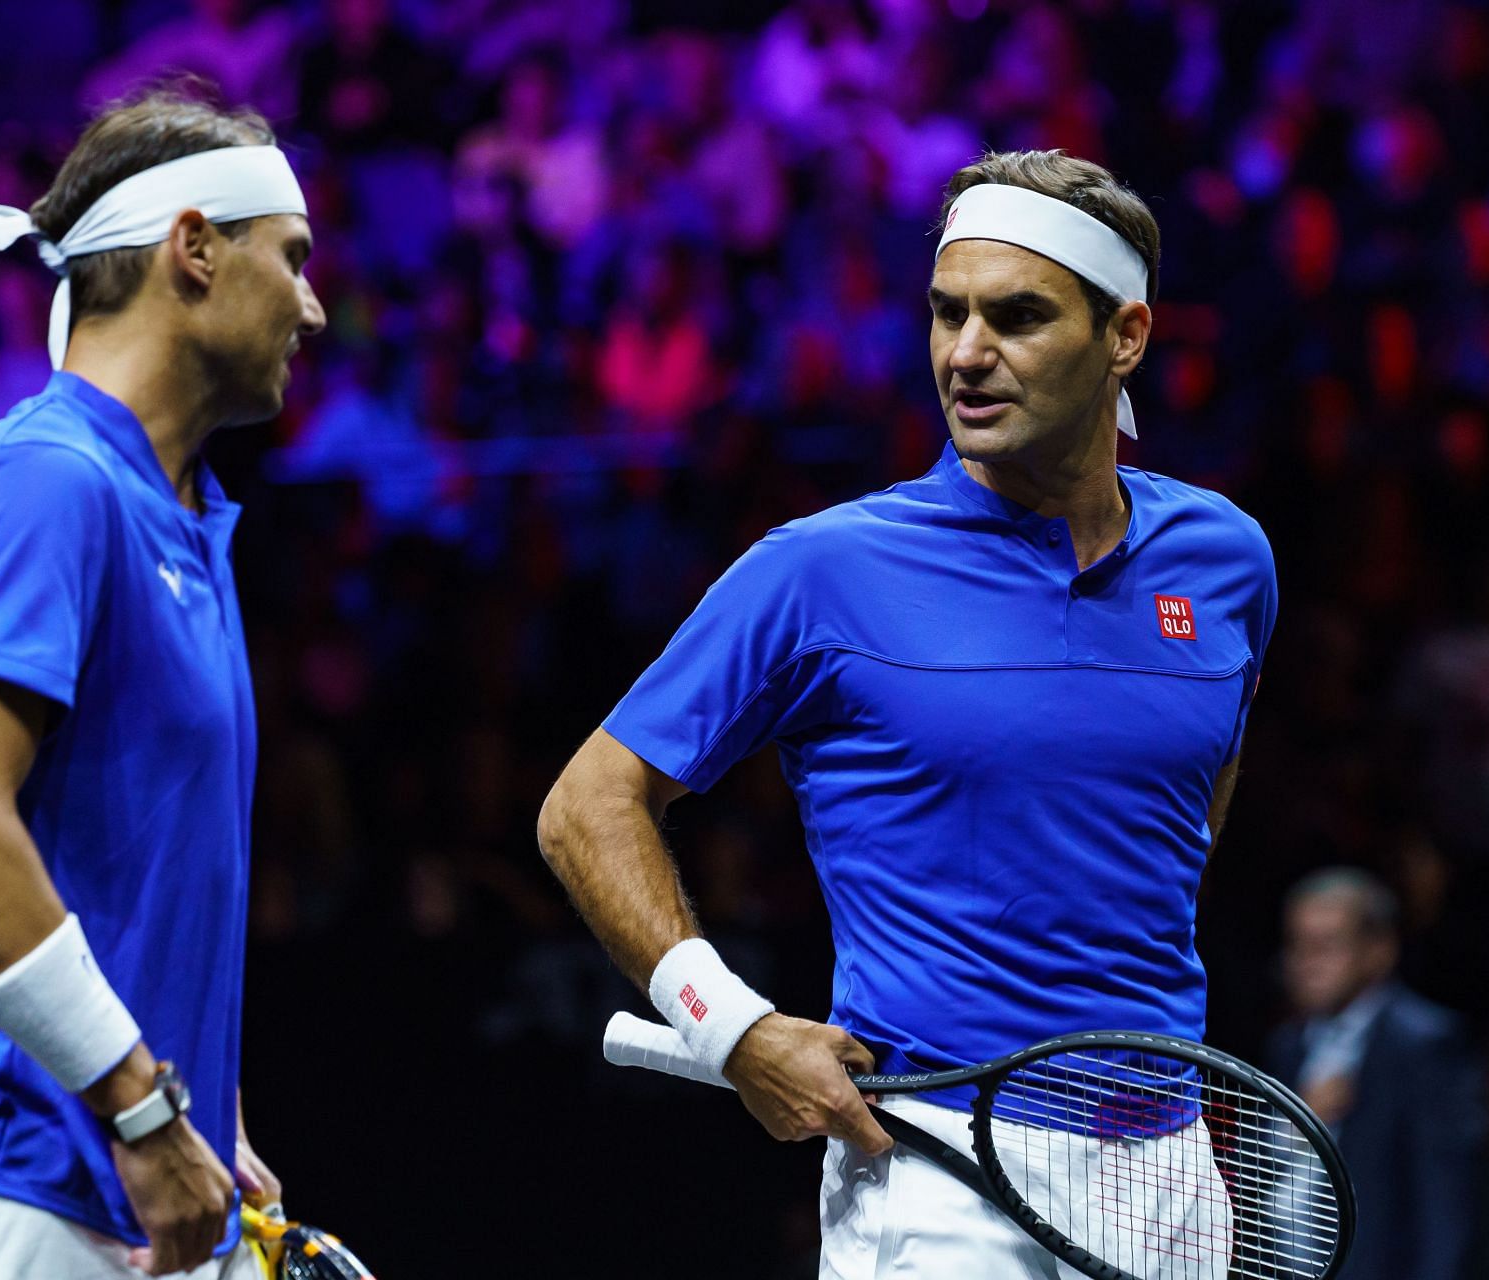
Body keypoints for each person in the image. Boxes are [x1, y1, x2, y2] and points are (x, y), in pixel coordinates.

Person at [537, 148, 1277, 1278]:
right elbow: (586, 805)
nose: (966, 355)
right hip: (937, 1181)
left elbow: (1185, 819)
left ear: (1124, 336)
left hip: (1170, 1177)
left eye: (1016, 317)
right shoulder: (821, 569)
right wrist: (730, 1024)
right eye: (947, 314)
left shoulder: (1226, 560)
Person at [0, 88, 325, 1279]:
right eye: (292, 258)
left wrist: (210, 1118)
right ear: (192, 248)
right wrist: (145, 1110)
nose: (311, 306)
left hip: (118, 1203)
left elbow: (137, 875)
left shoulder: (182, 523)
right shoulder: (45, 483)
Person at [1267, 868, 1483, 1280]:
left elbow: (1444, 1206)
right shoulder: (1288, 1046)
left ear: (1379, 949)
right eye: (1298, 944)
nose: (1309, 963)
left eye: (1328, 945)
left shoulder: (1422, 1045)